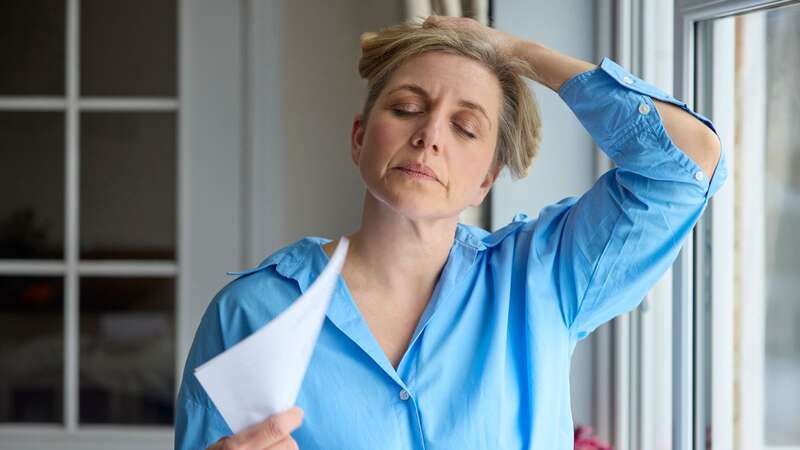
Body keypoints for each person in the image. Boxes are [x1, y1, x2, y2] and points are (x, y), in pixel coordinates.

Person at [175, 15, 726, 450]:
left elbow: (687, 163)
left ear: (486, 180)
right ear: (359, 139)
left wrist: (517, 53)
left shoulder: (544, 279)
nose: (430, 135)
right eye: (407, 107)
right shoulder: (249, 314)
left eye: (466, 127)